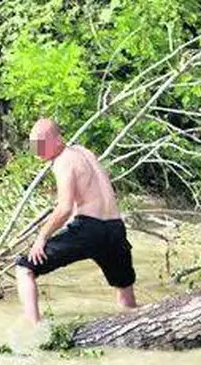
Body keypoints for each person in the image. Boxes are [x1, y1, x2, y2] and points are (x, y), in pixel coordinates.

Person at [16, 118, 137, 324]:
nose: (37, 151)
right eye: (34, 145)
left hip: (90, 230)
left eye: (41, 144)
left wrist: (41, 238)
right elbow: (94, 193)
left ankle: (33, 327)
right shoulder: (84, 152)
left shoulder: (63, 161)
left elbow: (64, 208)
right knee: (126, 300)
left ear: (57, 140)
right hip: (116, 228)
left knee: (24, 268)